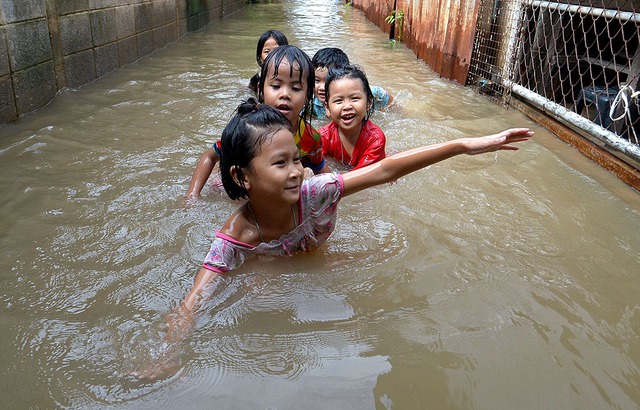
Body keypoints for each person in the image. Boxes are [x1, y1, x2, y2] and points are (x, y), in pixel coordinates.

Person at [134, 98, 533, 380]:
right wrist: (169, 354)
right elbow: (193, 302)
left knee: (386, 250)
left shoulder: (316, 190)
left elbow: (385, 172)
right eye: (280, 163)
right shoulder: (233, 240)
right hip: (272, 258)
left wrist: (462, 146)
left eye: (296, 160)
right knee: (261, 289)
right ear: (242, 177)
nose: (296, 172)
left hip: (313, 246)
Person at [185, 45, 330, 200]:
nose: (285, 94)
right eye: (276, 86)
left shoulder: (309, 137)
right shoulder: (249, 127)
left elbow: (324, 174)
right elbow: (210, 157)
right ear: (261, 90)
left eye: (295, 88)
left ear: (308, 95)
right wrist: (192, 195)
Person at [320, 65, 386, 169]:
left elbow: (361, 179)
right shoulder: (323, 137)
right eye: (338, 100)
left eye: (355, 98)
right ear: (327, 108)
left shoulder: (375, 139)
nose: (347, 106)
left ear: (368, 103)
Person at [311, 47, 394, 119]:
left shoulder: (370, 93)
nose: (321, 87)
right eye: (316, 80)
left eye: (327, 81)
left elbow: (392, 106)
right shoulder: (309, 101)